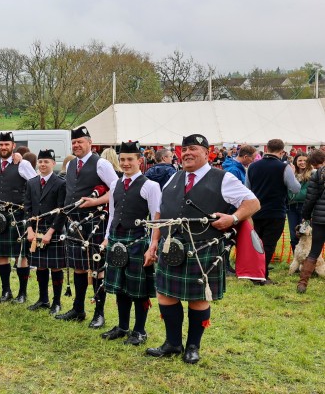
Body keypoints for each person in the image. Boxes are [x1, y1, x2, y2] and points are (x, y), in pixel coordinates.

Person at [146, 133, 259, 364]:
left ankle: (193, 347)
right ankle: (172, 343)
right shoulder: (173, 177)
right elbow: (160, 212)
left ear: (207, 153)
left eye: (193, 149)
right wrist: (154, 241)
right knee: (165, 295)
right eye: (184, 149)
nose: (187, 153)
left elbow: (253, 203)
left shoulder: (223, 178)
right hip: (170, 247)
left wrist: (233, 218)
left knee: (198, 298)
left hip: (202, 247)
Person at [99, 142, 161, 346]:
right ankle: (123, 326)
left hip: (138, 241)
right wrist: (108, 236)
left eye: (130, 159)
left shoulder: (150, 186)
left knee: (138, 288)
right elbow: (112, 214)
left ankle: (140, 331)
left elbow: (156, 219)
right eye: (122, 159)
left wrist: (152, 246)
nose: (125, 164)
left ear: (139, 161)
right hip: (117, 239)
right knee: (120, 287)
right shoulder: (115, 184)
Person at [56, 126, 118, 329]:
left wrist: (96, 201)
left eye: (80, 141)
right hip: (75, 222)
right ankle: (78, 309)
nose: (76, 145)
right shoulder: (72, 164)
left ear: (90, 143)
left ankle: (99, 314)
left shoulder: (101, 164)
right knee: (79, 267)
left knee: (97, 268)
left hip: (95, 221)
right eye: (74, 142)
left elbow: (117, 191)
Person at [0, 132, 38, 302]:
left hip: (18, 214)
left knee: (21, 255)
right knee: (2, 254)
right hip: (0, 216)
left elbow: (36, 184)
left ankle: (22, 293)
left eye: (6, 144)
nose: (3, 147)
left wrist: (30, 209)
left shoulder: (22, 164)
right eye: (1, 145)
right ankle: (6, 291)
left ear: (13, 146)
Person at [245, 139, 300, 285]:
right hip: (275, 211)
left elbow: (247, 189)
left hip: (256, 211)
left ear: (266, 148)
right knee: (268, 245)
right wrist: (293, 174)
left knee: (256, 244)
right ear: (282, 152)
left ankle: (255, 272)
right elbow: (295, 189)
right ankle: (261, 276)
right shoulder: (284, 167)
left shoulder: (252, 166)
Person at [24, 149, 67, 314]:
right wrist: (29, 229)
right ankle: (43, 299)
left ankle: (56, 302)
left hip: (53, 230)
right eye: (40, 161)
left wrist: (50, 232)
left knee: (55, 267)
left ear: (53, 164)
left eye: (46, 162)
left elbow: (62, 210)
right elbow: (27, 208)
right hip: (35, 231)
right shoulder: (31, 182)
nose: (42, 164)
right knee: (40, 266)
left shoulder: (60, 183)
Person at [298, 149, 325, 293]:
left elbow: (310, 199)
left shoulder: (317, 175)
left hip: (320, 219)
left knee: (314, 251)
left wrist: (306, 216)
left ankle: (302, 283)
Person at [287, 152, 312, 250]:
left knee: (304, 235)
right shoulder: (291, 175)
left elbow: (305, 193)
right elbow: (288, 192)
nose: (302, 162)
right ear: (295, 162)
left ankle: (305, 263)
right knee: (294, 236)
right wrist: (292, 176)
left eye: (305, 160)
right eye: (300, 160)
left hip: (305, 208)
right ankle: (296, 261)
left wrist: (294, 193)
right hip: (291, 208)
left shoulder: (312, 174)